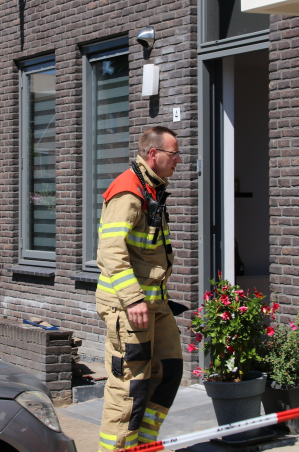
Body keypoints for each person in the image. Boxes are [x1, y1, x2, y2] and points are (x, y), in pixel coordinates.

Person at [95, 126, 184, 451]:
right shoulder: (129, 191)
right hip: (127, 307)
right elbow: (110, 252)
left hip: (153, 306)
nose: (178, 160)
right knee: (128, 388)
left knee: (169, 370)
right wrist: (133, 299)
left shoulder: (152, 189)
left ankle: (144, 444)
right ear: (153, 154)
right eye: (174, 154)